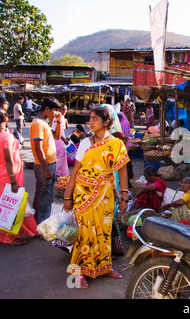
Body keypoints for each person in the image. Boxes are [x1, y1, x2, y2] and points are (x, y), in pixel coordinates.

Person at [63, 106, 130, 289]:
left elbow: (122, 171)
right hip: (84, 195)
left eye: (94, 119)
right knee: (85, 234)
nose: (90, 122)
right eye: (90, 118)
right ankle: (79, 271)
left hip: (106, 196)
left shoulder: (116, 144)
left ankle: (104, 267)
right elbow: (75, 171)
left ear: (106, 122)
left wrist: (124, 197)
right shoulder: (85, 143)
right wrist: (67, 197)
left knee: (104, 232)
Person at [0, 111, 39, 245]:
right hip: (8, 177)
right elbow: (9, 160)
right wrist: (13, 182)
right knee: (10, 206)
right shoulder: (7, 137)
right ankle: (9, 237)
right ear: (5, 118)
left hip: (3, 176)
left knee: (3, 206)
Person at [30, 97, 63, 224]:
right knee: (42, 196)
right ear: (47, 108)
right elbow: (38, 149)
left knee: (48, 195)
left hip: (50, 163)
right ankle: (39, 224)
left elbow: (57, 136)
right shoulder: (38, 124)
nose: (56, 112)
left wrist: (58, 121)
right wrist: (46, 169)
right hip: (45, 165)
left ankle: (45, 221)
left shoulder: (44, 122)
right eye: (54, 110)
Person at [52, 104, 69, 177]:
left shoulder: (63, 118)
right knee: (60, 157)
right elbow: (55, 130)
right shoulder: (56, 118)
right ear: (59, 110)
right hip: (58, 139)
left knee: (63, 156)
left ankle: (62, 173)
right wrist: (64, 139)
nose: (64, 111)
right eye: (62, 109)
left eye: (65, 109)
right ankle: (56, 173)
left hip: (62, 138)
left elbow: (65, 128)